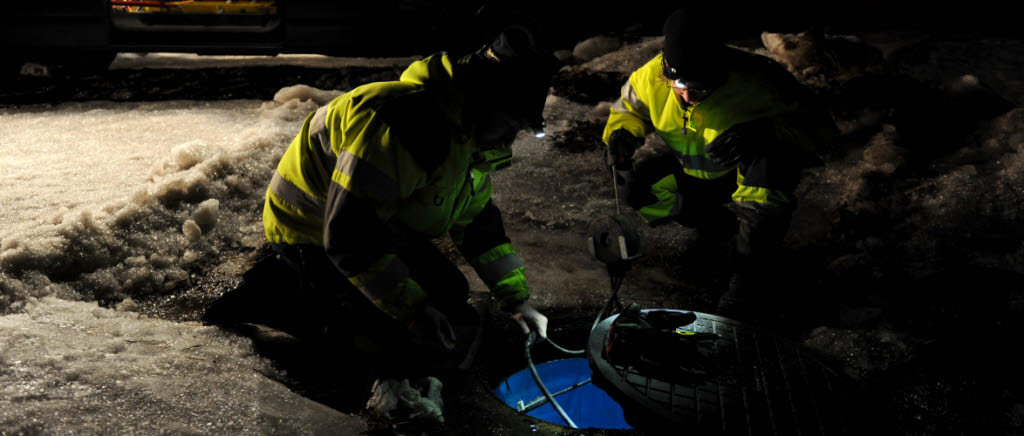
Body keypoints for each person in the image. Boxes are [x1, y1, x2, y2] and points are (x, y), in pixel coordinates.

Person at [209, 29, 556, 378]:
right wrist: (413, 313)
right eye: (512, 123)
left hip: (376, 225)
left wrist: (515, 300)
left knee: (450, 294)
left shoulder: (467, 136)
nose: (511, 139)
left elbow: (478, 224)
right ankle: (275, 296)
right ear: (484, 101)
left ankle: (320, 290)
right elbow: (348, 237)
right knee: (387, 343)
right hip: (309, 230)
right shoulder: (407, 124)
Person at [602, 8, 836, 317]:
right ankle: (717, 229)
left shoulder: (760, 80)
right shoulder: (650, 77)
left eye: (698, 88)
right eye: (679, 86)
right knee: (642, 191)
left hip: (750, 175)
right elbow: (627, 111)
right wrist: (621, 134)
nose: (686, 97)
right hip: (699, 174)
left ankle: (748, 282)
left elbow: (824, 136)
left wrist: (762, 133)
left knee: (767, 166)